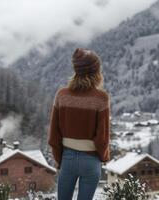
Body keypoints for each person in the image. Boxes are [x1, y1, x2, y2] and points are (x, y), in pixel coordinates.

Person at [47, 48, 111, 200]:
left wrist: (60, 161)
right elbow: (102, 138)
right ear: (96, 72)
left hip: (67, 159)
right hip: (91, 161)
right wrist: (102, 158)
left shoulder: (61, 95)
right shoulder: (101, 98)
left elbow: (54, 135)